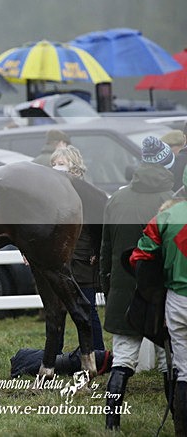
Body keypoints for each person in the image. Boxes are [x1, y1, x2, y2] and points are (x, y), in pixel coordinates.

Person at [100, 135, 174, 431]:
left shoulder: (116, 199)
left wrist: (109, 289)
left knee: (123, 360)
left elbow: (105, 252)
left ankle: (111, 425)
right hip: (162, 294)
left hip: (123, 291)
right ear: (166, 166)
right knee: (171, 362)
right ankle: (178, 421)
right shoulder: (172, 202)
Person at [130, 196, 187, 436]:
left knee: (184, 370)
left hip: (177, 300)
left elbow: (139, 259)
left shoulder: (165, 218)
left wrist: (155, 296)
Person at [50, 145, 105, 352]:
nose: (56, 168)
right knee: (57, 308)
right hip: (60, 259)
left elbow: (98, 227)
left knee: (87, 307)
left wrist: (96, 252)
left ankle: (97, 352)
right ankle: (55, 352)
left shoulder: (88, 194)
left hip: (82, 258)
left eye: (61, 164)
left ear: (74, 166)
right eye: (54, 164)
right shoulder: (50, 192)